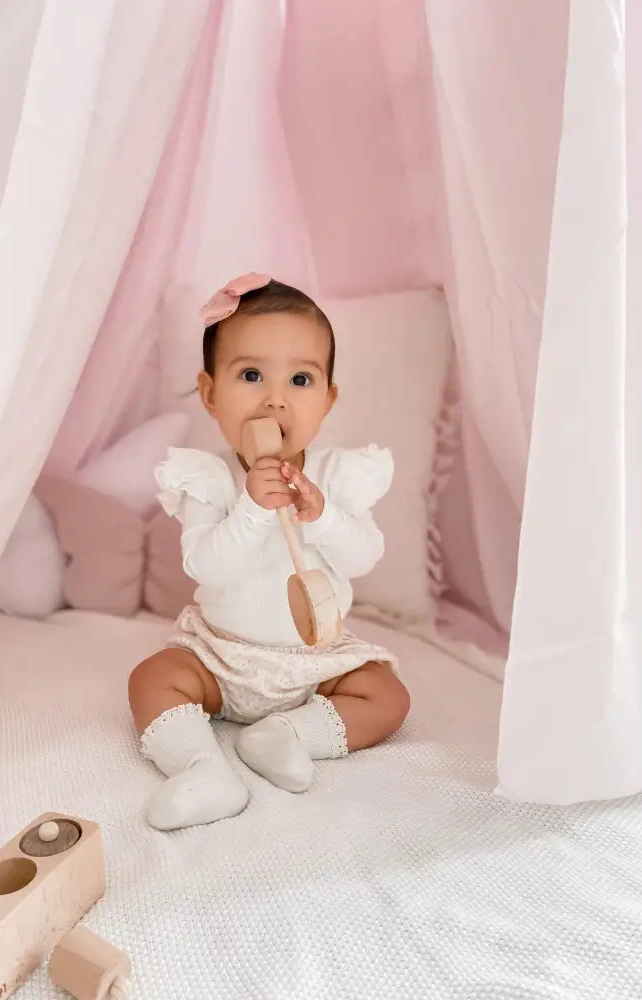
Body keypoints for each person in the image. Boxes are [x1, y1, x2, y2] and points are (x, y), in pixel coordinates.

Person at [128, 273, 410, 831]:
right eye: (251, 375)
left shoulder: (338, 476)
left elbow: (363, 559)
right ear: (211, 395)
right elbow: (206, 566)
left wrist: (322, 516)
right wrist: (253, 509)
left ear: (327, 400)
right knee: (150, 678)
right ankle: (202, 767)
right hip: (222, 657)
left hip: (315, 662)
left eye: (301, 379)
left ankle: (286, 736)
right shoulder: (209, 479)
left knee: (387, 697)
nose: (275, 397)